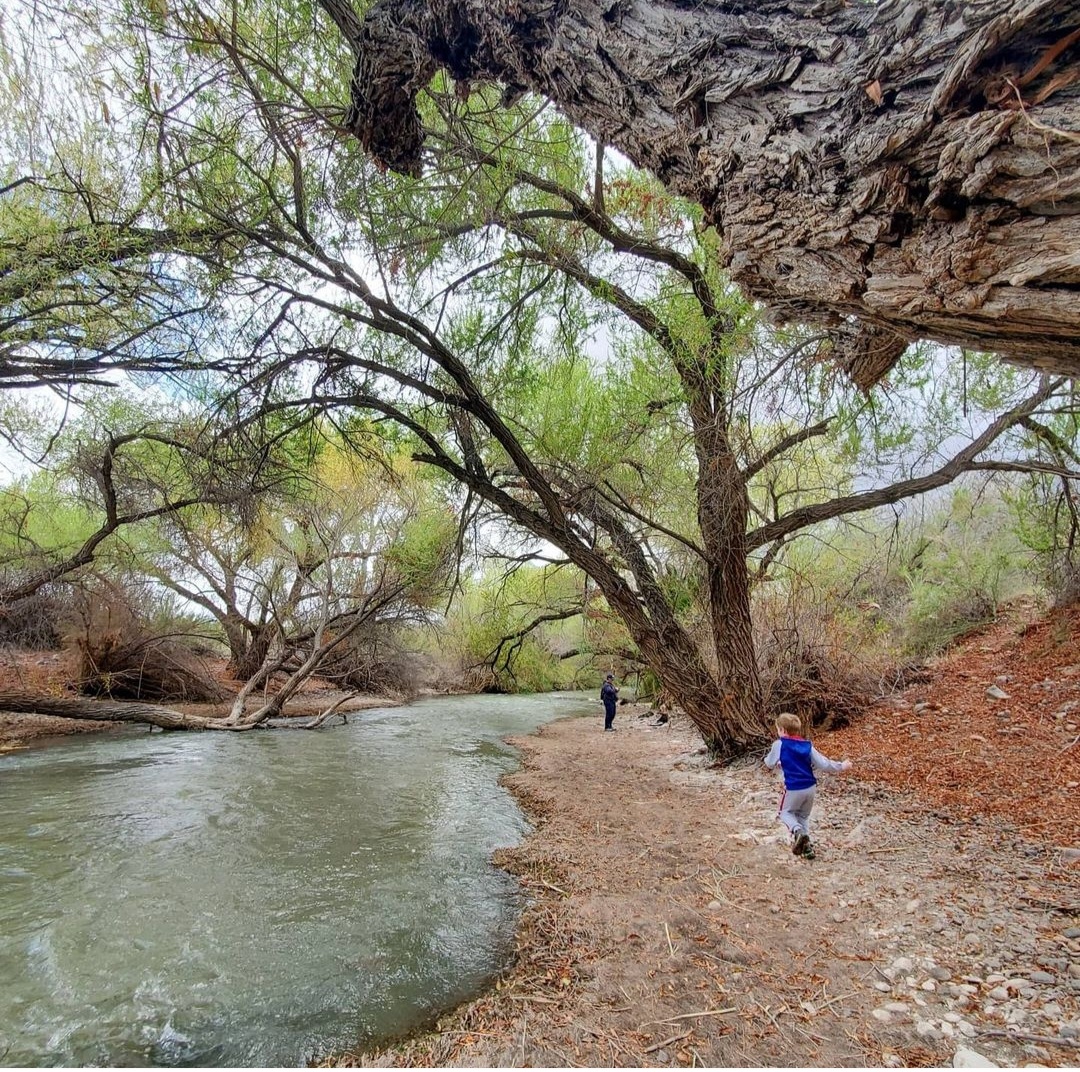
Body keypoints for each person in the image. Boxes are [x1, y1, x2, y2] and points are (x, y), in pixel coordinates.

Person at [763, 711, 852, 859]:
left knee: (785, 813)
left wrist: (773, 761)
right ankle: (807, 848)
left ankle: (797, 831)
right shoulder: (807, 746)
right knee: (803, 816)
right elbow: (823, 763)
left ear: (783, 731)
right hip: (810, 787)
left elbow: (769, 763)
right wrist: (841, 766)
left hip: (793, 787)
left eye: (778, 729)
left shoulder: (779, 744)